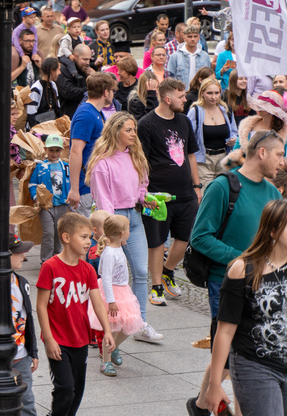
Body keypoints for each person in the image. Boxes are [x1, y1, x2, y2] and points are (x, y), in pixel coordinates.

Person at [187, 129, 284, 416]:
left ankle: (202, 404)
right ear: (262, 153)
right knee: (237, 349)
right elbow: (200, 237)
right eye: (279, 154)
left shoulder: (273, 192)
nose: (283, 161)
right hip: (227, 281)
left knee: (238, 351)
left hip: (266, 287)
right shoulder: (222, 187)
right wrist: (243, 260)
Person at [86, 111, 164, 343]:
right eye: (128, 130)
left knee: (141, 272)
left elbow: (141, 187)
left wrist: (145, 198)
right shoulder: (103, 163)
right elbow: (104, 200)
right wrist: (113, 231)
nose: (133, 134)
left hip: (135, 218)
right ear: (115, 131)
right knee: (110, 278)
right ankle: (102, 325)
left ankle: (139, 323)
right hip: (115, 220)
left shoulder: (135, 156)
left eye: (134, 130)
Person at [204, 199, 287, 415]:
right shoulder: (243, 269)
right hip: (256, 365)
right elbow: (224, 330)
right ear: (272, 230)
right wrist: (214, 385)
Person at [36, 213, 115, 416]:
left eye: (90, 237)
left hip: (80, 339)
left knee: (77, 390)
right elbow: (41, 306)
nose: (89, 242)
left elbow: (97, 303)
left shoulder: (88, 270)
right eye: (84, 236)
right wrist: (49, 339)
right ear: (66, 237)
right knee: (65, 389)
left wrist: (107, 330)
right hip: (58, 339)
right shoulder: (50, 267)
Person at [137, 78, 201, 307]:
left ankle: (168, 272)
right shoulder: (146, 124)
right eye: (181, 96)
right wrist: (143, 193)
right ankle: (155, 287)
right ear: (167, 98)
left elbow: (191, 154)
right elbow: (141, 161)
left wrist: (197, 186)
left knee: (186, 239)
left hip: (185, 192)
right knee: (156, 242)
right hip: (157, 195)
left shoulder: (184, 121)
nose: (185, 100)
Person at [86, 215, 145, 377]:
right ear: (120, 234)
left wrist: (120, 243)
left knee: (128, 324)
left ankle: (113, 348)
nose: (129, 232)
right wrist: (111, 301)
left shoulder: (117, 246)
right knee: (110, 329)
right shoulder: (110, 253)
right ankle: (106, 361)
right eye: (127, 230)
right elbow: (105, 279)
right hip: (111, 293)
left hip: (122, 291)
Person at [67, 72, 117, 216]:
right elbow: (75, 152)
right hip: (85, 188)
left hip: (94, 185)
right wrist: (75, 189)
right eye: (112, 90)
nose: (113, 94)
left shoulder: (95, 112)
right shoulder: (86, 114)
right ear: (106, 92)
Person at [187, 77, 238, 188]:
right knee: (205, 193)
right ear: (202, 93)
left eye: (216, 93)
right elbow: (188, 136)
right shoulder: (195, 111)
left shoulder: (226, 110)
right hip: (203, 159)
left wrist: (233, 139)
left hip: (223, 158)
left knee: (223, 193)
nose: (213, 97)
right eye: (209, 93)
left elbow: (234, 131)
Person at [30, 134, 70, 264]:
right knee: (48, 233)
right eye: (51, 150)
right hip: (46, 206)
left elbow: (71, 183)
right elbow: (32, 184)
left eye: (57, 150)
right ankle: (46, 261)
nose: (54, 153)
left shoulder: (65, 166)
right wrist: (36, 197)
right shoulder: (41, 166)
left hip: (62, 205)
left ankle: (57, 258)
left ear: (62, 150)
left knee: (60, 234)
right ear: (45, 149)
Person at [57, 44, 93, 119]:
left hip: (83, 114)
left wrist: (93, 77)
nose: (87, 63)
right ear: (75, 57)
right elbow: (68, 92)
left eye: (89, 59)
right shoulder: (63, 70)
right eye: (85, 59)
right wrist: (89, 91)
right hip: (68, 116)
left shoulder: (84, 69)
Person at [27, 58, 61, 128]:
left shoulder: (53, 85)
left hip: (51, 127)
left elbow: (58, 109)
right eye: (58, 70)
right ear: (52, 71)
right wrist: (38, 133)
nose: (60, 72)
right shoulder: (36, 88)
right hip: (38, 129)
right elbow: (31, 115)